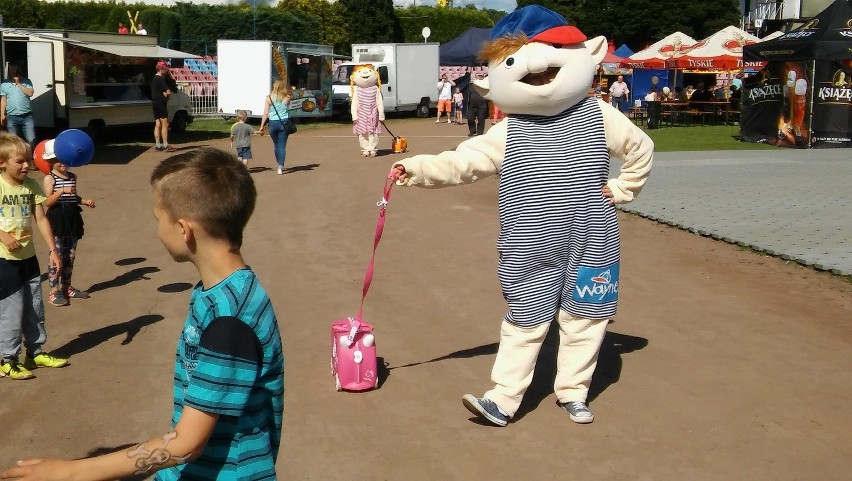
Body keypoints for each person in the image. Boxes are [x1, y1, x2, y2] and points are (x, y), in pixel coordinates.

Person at [390, 5, 653, 427]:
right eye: (531, 75)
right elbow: (465, 161)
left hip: (593, 237)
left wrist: (622, 190)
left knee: (586, 317)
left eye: (549, 71)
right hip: (529, 244)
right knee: (525, 319)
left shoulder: (599, 116)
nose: (542, 80)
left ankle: (573, 391)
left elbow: (641, 148)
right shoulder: (509, 130)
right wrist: (416, 168)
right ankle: (504, 398)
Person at [1, 147, 285, 479]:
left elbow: (186, 445)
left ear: (184, 229)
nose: (157, 230)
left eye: (157, 220)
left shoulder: (229, 321)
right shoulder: (225, 292)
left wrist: (71, 473)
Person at [0, 133, 68, 381]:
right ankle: (7, 360)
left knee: (34, 306)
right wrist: (2, 236)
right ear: (2, 162)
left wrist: (53, 250)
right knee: (11, 309)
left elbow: (40, 218)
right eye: (20, 161)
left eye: (28, 160)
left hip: (28, 258)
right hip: (4, 260)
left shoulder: (31, 186)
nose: (27, 165)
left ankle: (35, 353)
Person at [41, 139, 96, 307]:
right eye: (58, 159)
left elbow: (73, 197)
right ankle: (53, 291)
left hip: (72, 218)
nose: (63, 162)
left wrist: (83, 200)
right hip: (57, 219)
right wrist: (61, 190)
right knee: (56, 255)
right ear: (50, 161)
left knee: (70, 255)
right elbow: (48, 202)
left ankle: (67, 287)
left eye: (65, 158)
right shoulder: (49, 179)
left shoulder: (73, 176)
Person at [259, 80, 292, 175]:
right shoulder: (287, 97)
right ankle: (280, 166)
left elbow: (265, 113)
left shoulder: (268, 98)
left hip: (273, 123)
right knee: (282, 145)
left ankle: (279, 162)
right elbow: (287, 107)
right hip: (284, 123)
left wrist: (262, 126)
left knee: (276, 145)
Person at [0, 63, 36, 151]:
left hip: (26, 116)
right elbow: (3, 100)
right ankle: (16, 158)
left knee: (31, 139)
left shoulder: (27, 81)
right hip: (12, 117)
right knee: (13, 141)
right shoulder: (4, 84)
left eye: (15, 70)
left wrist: (19, 83)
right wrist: (2, 114)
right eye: (11, 70)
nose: (13, 72)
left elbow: (30, 93)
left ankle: (30, 158)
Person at [151, 61, 175, 152]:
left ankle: (157, 144)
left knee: (157, 124)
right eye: (165, 69)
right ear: (162, 69)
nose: (166, 71)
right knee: (165, 124)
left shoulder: (154, 78)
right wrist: (167, 95)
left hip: (155, 102)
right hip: (161, 103)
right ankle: (165, 144)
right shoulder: (161, 78)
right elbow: (168, 91)